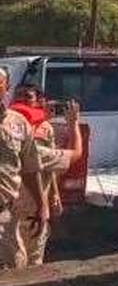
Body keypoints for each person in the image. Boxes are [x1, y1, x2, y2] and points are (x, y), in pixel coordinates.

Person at [9, 85, 84, 266]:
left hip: (31, 207)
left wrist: (54, 194)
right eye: (19, 96)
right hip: (19, 208)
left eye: (28, 97)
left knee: (30, 259)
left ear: (38, 101)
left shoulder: (45, 128)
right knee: (18, 263)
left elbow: (47, 168)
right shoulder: (16, 134)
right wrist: (73, 124)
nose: (23, 101)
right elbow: (74, 154)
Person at [0, 68, 47, 270]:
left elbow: (30, 168)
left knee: (16, 266)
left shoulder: (18, 124)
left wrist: (41, 205)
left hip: (5, 214)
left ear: (6, 88)